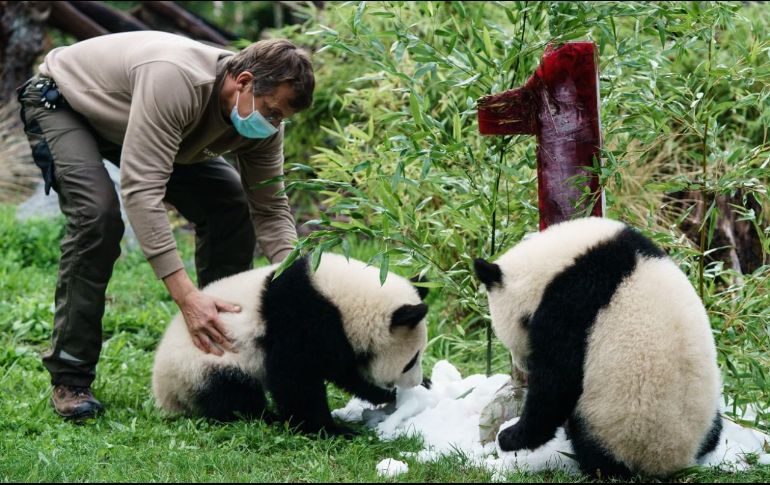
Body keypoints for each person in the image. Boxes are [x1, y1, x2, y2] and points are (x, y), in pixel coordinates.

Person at [15, 30, 314, 420]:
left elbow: (271, 208)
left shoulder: (263, 125)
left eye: (281, 118)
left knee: (231, 202)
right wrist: (187, 297)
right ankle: (71, 375)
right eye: (273, 112)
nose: (274, 125)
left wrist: (300, 285)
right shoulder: (177, 80)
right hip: (66, 104)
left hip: (138, 124)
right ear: (244, 83)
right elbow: (142, 189)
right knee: (98, 218)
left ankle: (221, 352)